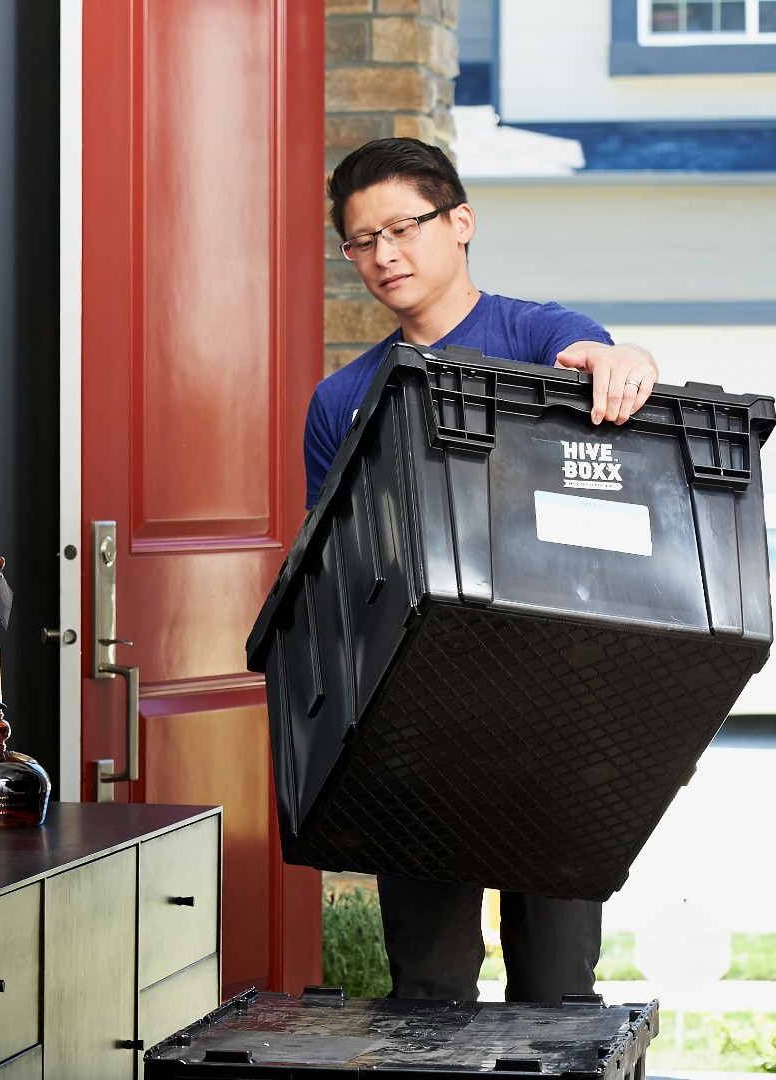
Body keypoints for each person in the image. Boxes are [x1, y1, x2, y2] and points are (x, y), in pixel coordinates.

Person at [307, 137, 658, 1005]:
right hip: (416, 728)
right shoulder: (340, 399)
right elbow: (333, 570)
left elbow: (595, 354)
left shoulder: (534, 335)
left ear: (459, 223)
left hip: (560, 718)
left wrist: (622, 363)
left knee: (557, 986)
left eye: (403, 227)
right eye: (361, 240)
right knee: (426, 989)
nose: (383, 255)